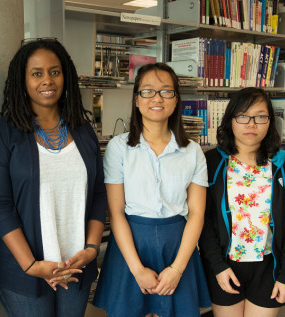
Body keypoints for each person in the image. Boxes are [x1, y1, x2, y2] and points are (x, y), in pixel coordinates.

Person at [0, 38, 107, 317]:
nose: (47, 80)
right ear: (22, 81)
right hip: (24, 268)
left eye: (55, 71)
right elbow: (0, 205)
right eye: (36, 73)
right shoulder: (5, 132)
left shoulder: (82, 129)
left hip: (76, 263)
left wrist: (90, 249)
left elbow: (99, 193)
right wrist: (31, 265)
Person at [93, 63, 211, 317]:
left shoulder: (192, 152)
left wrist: (177, 269)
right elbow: (116, 214)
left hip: (177, 245)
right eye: (147, 91)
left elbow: (197, 215)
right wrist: (137, 269)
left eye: (166, 91)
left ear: (176, 99)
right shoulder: (118, 148)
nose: (157, 98)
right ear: (136, 99)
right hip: (131, 244)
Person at [199, 87, 285, 317]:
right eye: (243, 116)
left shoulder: (284, 165)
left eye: (260, 116)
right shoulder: (211, 162)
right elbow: (203, 221)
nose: (251, 124)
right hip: (225, 266)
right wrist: (218, 266)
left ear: (270, 122)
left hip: (268, 266)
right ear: (231, 120)